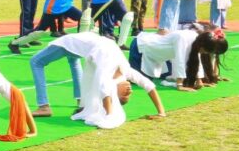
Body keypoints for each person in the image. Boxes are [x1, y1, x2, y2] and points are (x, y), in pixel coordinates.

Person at [28, 32, 165, 126]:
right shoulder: (126, 71)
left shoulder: (106, 72)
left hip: (70, 42)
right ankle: (81, 103)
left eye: (125, 96)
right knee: (73, 61)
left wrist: (109, 114)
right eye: (129, 94)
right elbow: (149, 86)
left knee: (36, 62)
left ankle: (43, 106)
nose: (129, 91)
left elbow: (104, 91)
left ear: (114, 93)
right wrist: (161, 112)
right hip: (85, 42)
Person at [130, 26, 228, 91]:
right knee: (139, 80)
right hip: (140, 48)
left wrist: (199, 81)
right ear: (202, 45)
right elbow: (179, 61)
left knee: (162, 76)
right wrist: (179, 85)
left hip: (157, 57)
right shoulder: (183, 38)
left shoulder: (196, 40)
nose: (203, 53)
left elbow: (196, 59)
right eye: (204, 51)